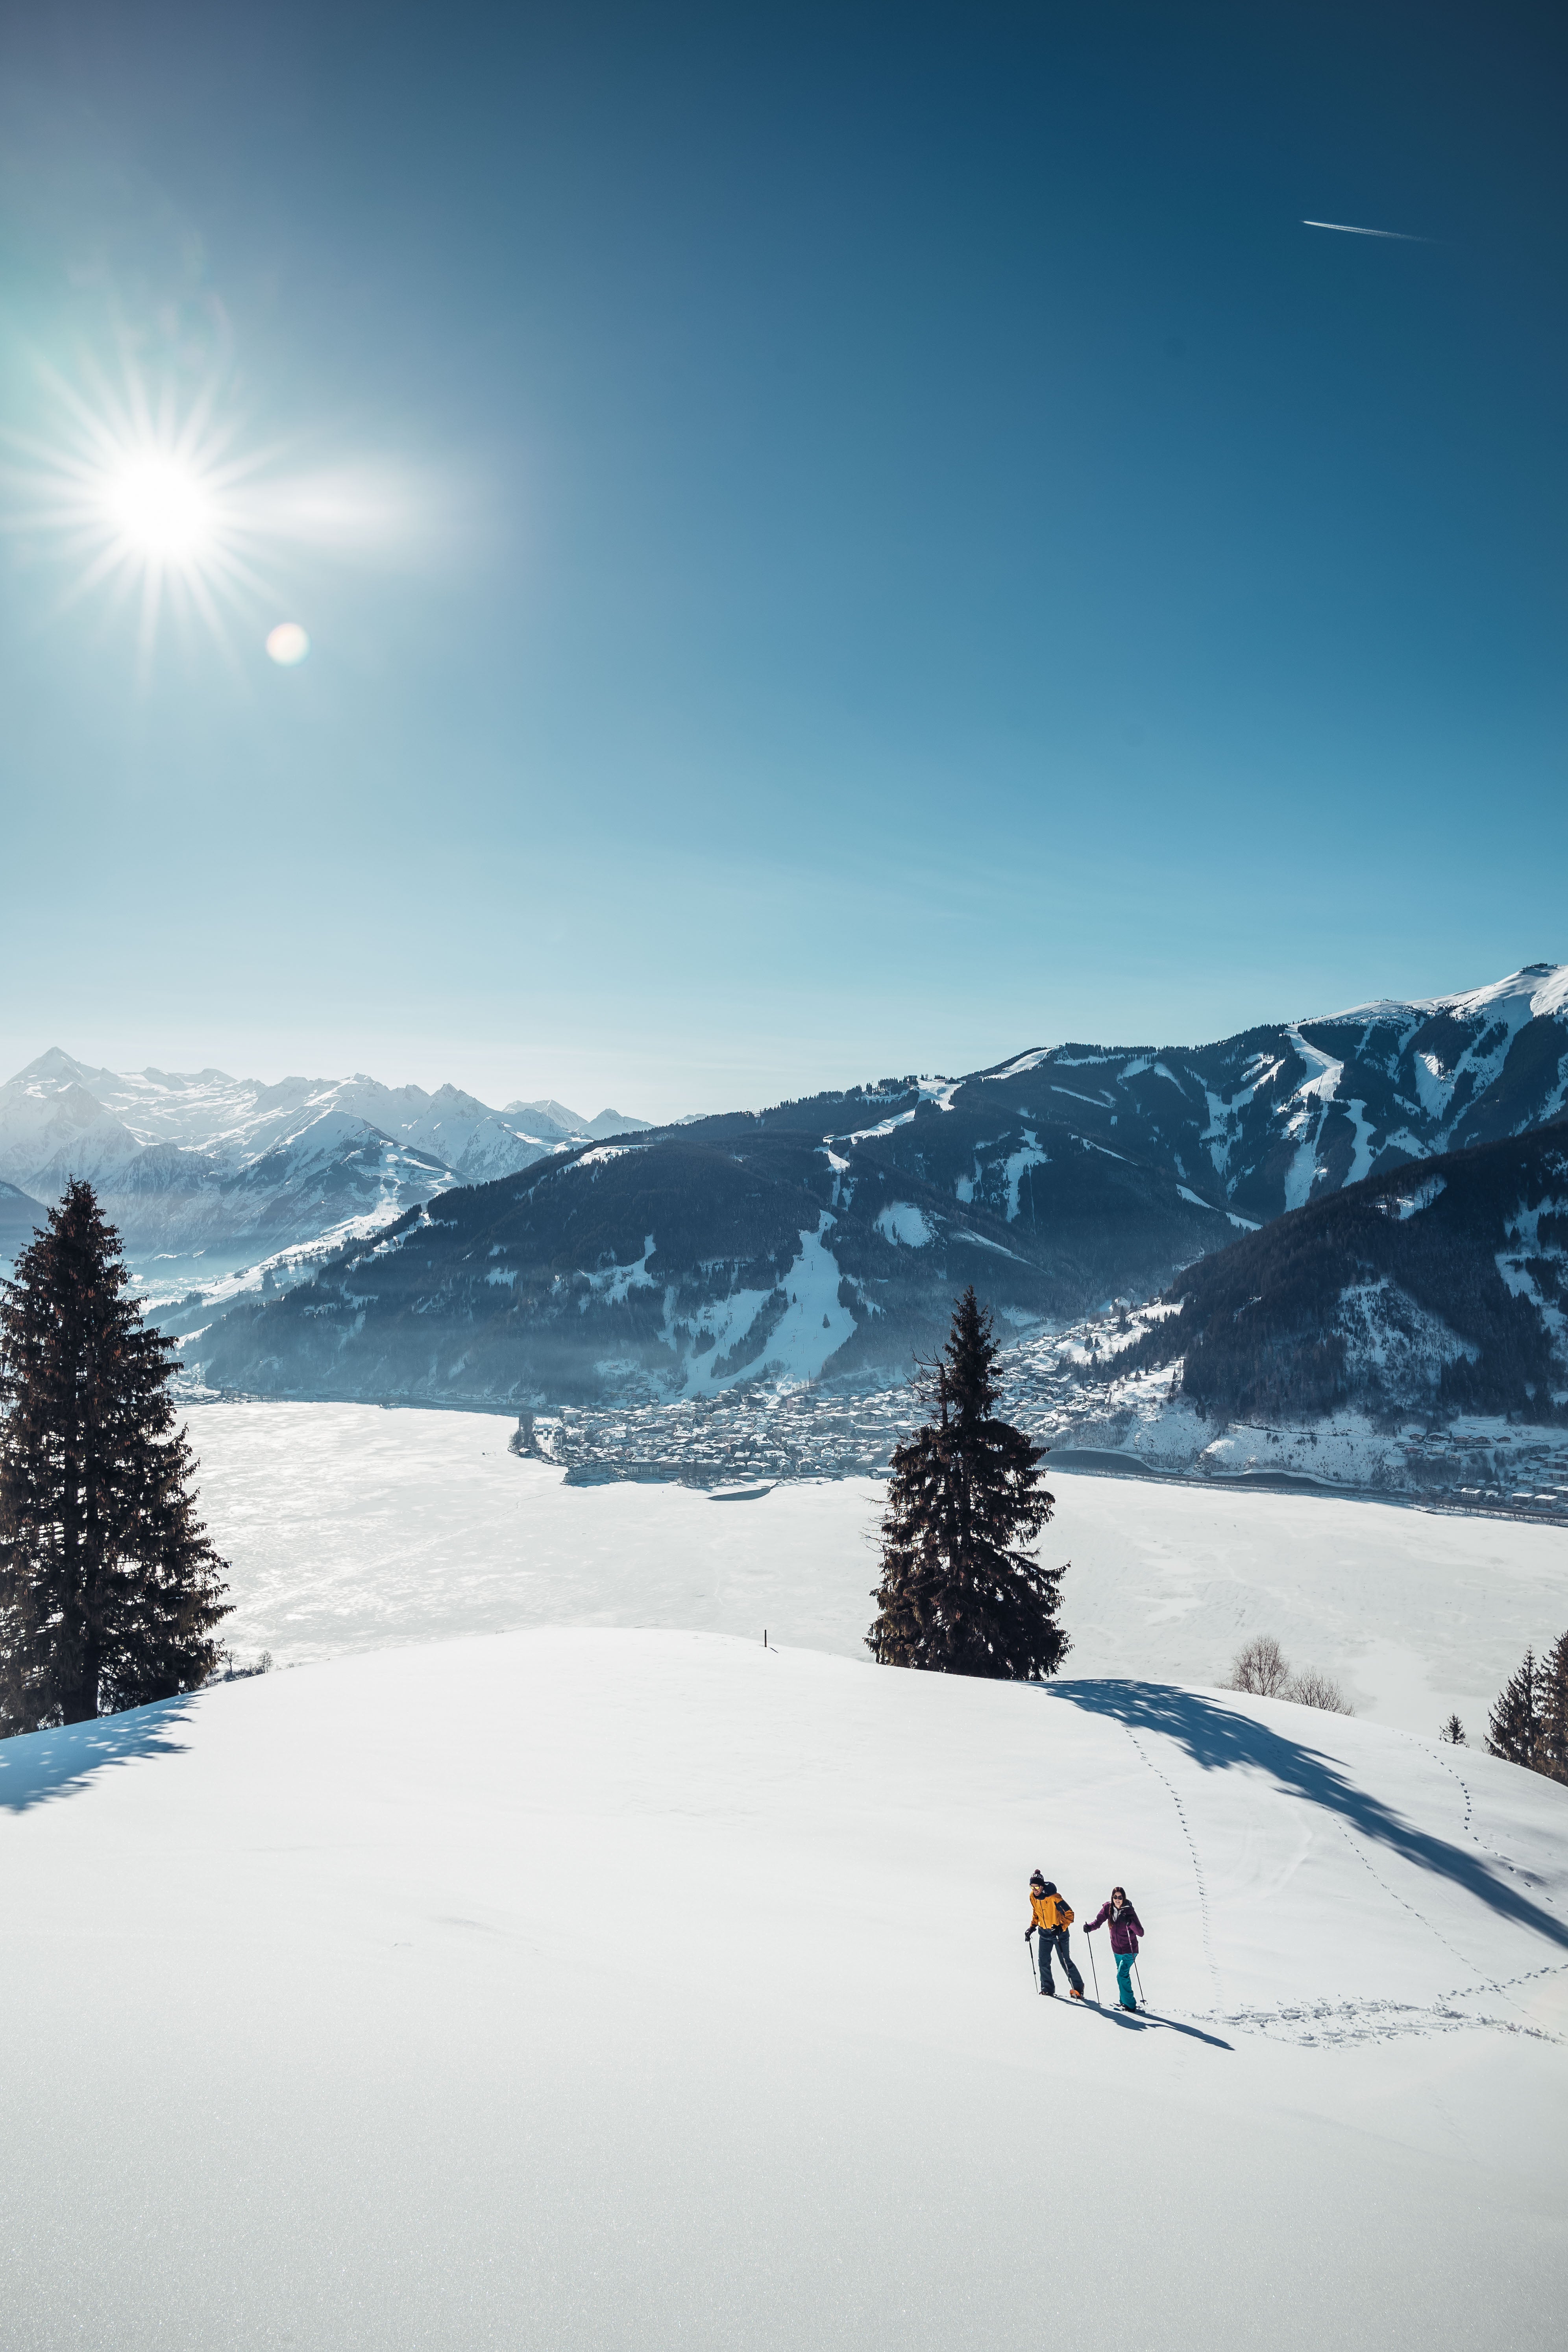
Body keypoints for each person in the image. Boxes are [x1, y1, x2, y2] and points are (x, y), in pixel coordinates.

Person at [1024, 1871, 1085, 1999]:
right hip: (1044, 1934)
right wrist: (1032, 1927)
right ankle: (1047, 1989)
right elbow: (1036, 1913)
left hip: (1059, 1934)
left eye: (1037, 1887)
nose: (1035, 1890)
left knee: (1065, 1961)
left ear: (1042, 1886)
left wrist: (1061, 1927)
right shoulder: (1032, 1897)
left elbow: (1070, 1914)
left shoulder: (1054, 1898)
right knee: (1043, 1962)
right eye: (1032, 1887)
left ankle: (1078, 1988)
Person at [1085, 1886, 1146, 2011]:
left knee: (1122, 1975)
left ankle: (1130, 2005)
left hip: (1130, 1949)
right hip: (1117, 1950)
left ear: (1124, 1898)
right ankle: (1123, 2001)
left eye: (1120, 1897)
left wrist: (1130, 1923)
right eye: (1115, 1897)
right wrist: (1090, 1927)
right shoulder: (1108, 1908)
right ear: (1112, 1898)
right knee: (1121, 1974)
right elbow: (1098, 1922)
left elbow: (1140, 1932)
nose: (1118, 1900)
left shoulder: (1129, 1911)